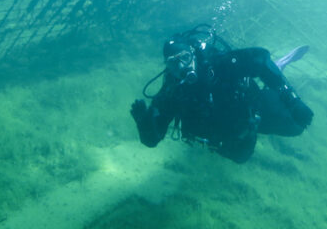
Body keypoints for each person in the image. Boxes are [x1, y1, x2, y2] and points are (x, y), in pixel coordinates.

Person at [130, 25, 314, 164]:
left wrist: (292, 101)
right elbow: (152, 140)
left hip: (254, 107)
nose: (181, 67)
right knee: (239, 157)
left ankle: (279, 67)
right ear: (166, 66)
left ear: (193, 54)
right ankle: (275, 73)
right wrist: (143, 123)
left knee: (297, 128)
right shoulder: (171, 91)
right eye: (172, 63)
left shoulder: (218, 64)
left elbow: (260, 58)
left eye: (184, 58)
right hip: (222, 136)